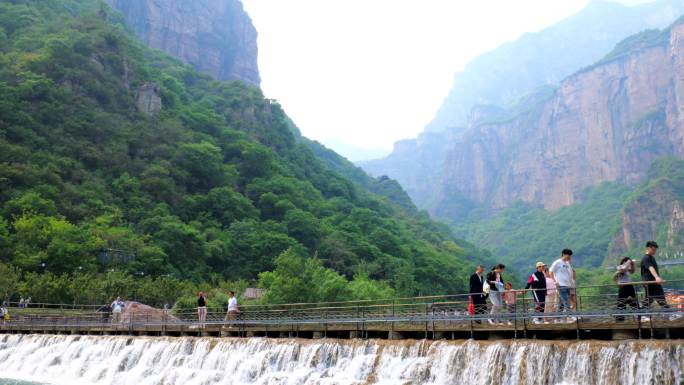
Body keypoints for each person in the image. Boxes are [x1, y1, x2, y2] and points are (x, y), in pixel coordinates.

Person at [640, 241, 673, 321]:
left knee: (649, 300)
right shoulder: (646, 258)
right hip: (650, 282)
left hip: (653, 282)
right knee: (660, 298)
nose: (655, 251)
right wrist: (657, 277)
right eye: (653, 250)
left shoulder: (652, 257)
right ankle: (668, 315)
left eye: (655, 250)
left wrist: (658, 278)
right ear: (649, 248)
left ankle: (641, 314)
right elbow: (651, 268)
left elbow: (654, 269)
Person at [549, 249, 576, 322]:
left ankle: (558, 318)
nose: (570, 257)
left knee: (562, 302)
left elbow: (570, 274)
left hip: (567, 285)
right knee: (566, 300)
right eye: (568, 255)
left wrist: (571, 283)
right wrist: (555, 281)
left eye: (570, 256)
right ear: (564, 254)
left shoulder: (567, 263)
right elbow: (550, 271)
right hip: (561, 285)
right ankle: (570, 315)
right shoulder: (558, 262)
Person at [614, 257, 638, 321]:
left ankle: (639, 317)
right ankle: (620, 319)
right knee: (621, 303)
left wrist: (633, 264)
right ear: (624, 262)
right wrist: (628, 263)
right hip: (623, 286)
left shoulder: (628, 269)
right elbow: (622, 269)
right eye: (627, 261)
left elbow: (632, 271)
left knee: (634, 302)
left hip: (629, 286)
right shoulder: (619, 267)